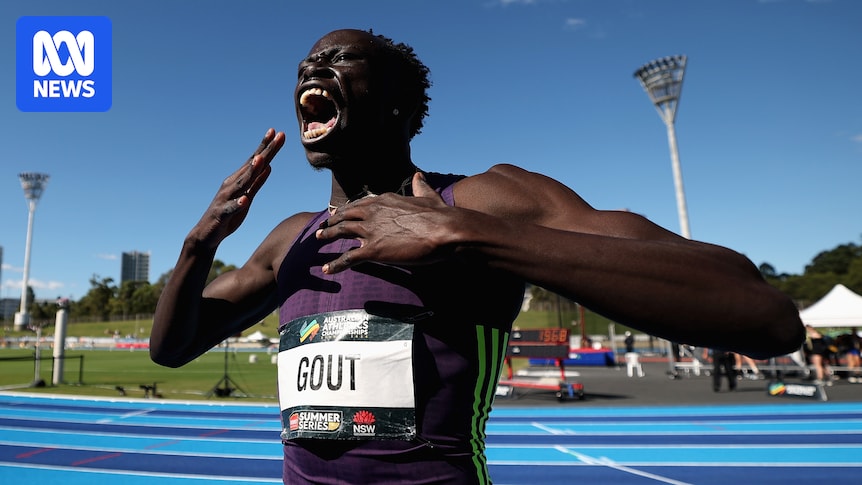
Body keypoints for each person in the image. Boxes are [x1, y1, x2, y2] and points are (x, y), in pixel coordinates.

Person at [150, 28, 805, 485]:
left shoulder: (484, 198)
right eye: (304, 66)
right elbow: (172, 347)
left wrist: (468, 234)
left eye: (339, 60)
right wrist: (197, 245)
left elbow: (764, 314)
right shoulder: (290, 236)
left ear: (398, 105)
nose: (311, 71)